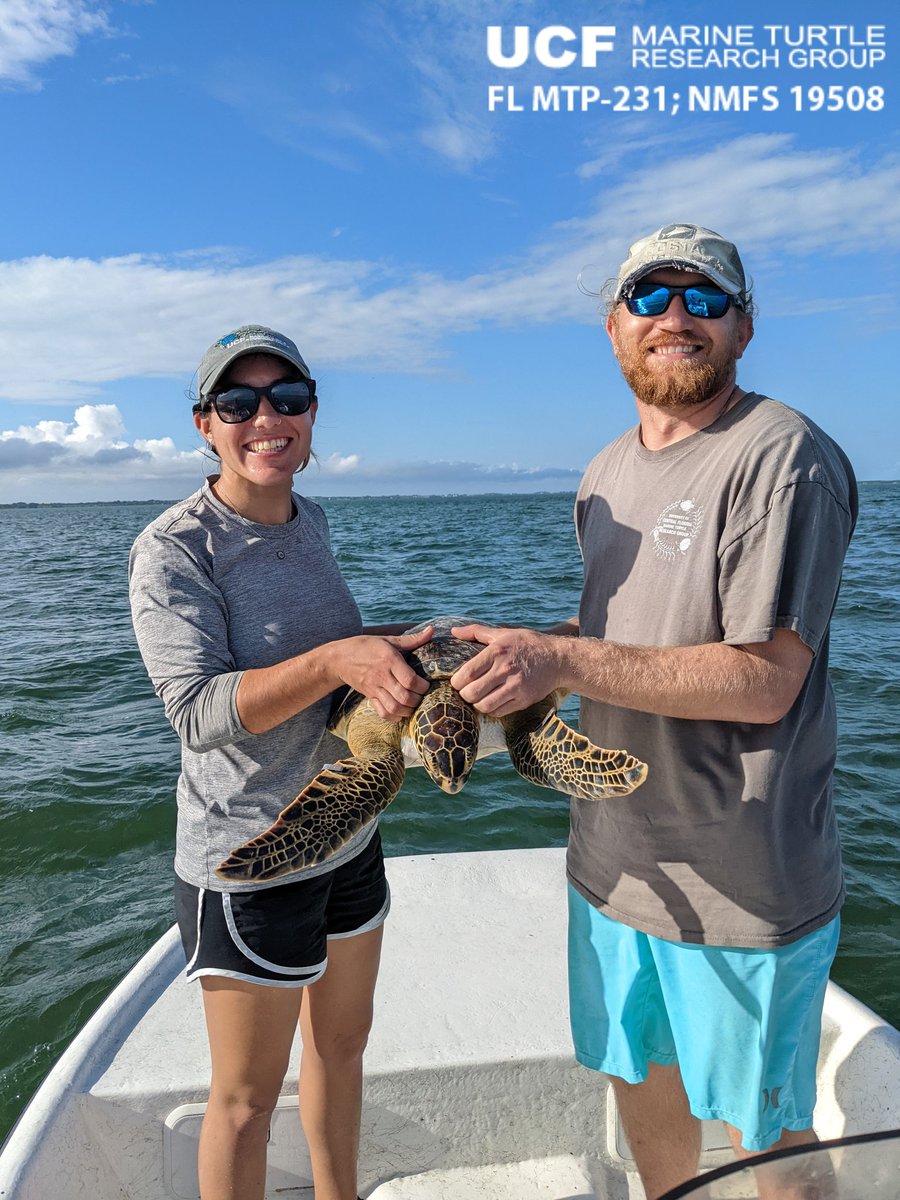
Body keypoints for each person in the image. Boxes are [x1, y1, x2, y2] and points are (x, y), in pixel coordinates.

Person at [449, 225, 858, 1199]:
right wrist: (517, 652)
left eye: (705, 301)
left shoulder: (782, 455)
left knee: (770, 1140)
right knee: (642, 1076)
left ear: (744, 328)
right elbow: (626, 635)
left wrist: (560, 657)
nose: (677, 318)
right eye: (652, 298)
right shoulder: (602, 476)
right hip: (614, 867)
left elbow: (767, 680)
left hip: (742, 886)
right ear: (613, 326)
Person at [129, 324, 430, 1200]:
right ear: (204, 424)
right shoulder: (176, 548)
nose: (268, 419)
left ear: (311, 415)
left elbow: (320, 655)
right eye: (240, 403)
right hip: (249, 856)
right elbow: (196, 712)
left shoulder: (310, 519)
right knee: (247, 1101)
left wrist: (386, 650)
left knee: (342, 1047)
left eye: (288, 401)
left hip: (347, 832)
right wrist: (339, 661)